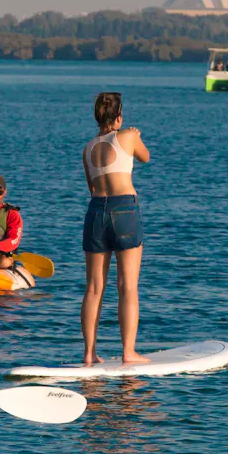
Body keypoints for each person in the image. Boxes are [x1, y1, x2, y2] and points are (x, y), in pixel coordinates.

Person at [81, 92, 151, 366]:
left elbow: (92, 187)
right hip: (124, 209)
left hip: (96, 211)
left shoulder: (87, 148)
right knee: (127, 286)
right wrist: (133, 133)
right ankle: (128, 352)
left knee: (93, 288)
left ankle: (89, 354)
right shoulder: (128, 137)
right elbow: (145, 157)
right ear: (119, 116)